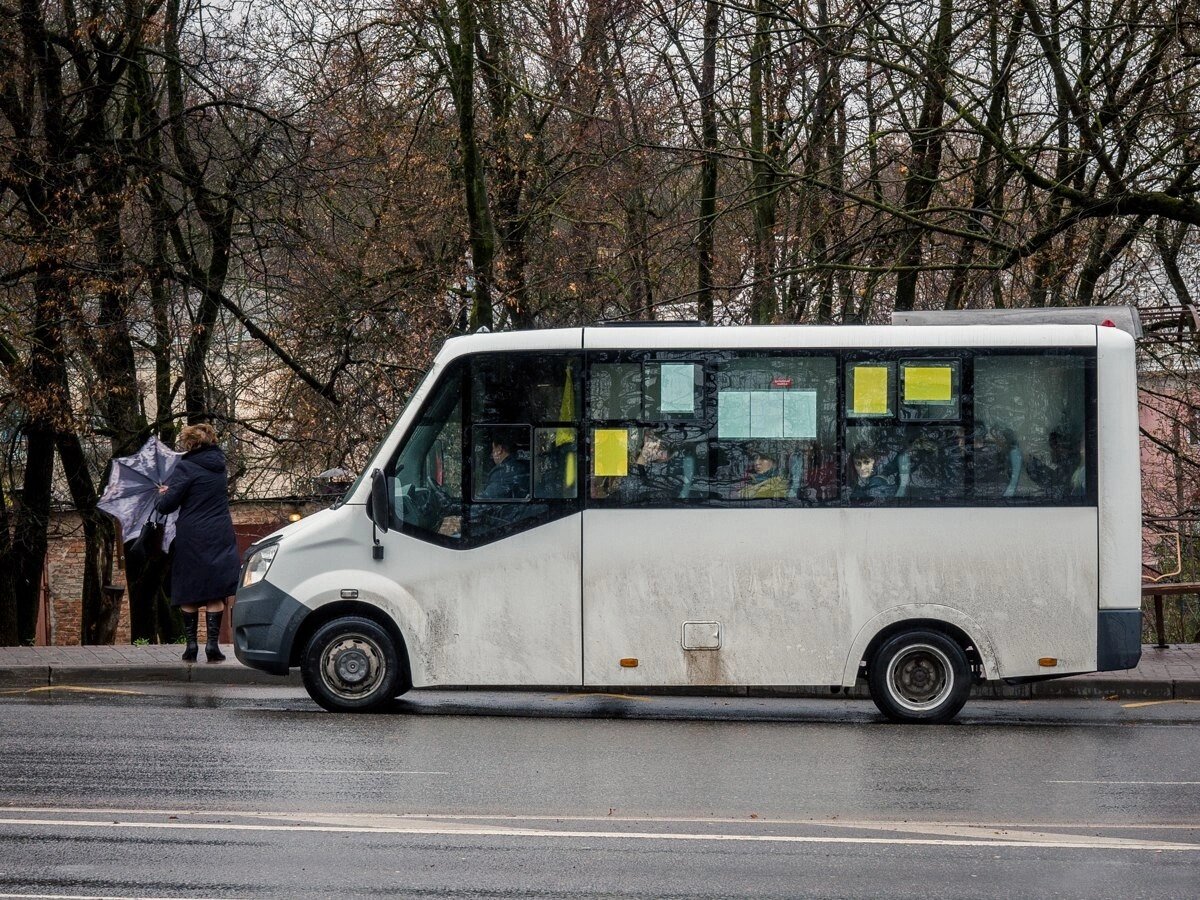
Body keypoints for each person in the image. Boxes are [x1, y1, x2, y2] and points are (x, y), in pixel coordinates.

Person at [156, 424, 240, 663]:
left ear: (190, 444)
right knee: (215, 592)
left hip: (192, 535)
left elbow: (167, 506)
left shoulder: (186, 467)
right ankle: (212, 646)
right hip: (219, 532)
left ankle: (191, 646)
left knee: (189, 591)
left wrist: (165, 493)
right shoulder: (220, 467)